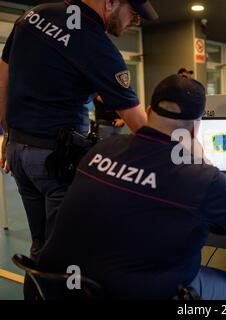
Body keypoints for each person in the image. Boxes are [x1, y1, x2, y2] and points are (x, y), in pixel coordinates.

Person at [38, 74, 226, 300]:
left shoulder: (102, 149)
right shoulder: (202, 178)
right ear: (195, 130)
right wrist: (201, 160)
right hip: (125, 293)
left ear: (148, 111)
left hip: (58, 288)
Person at [0, 0, 158, 260]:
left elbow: (3, 75)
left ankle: (38, 287)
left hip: (19, 153)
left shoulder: (35, 15)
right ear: (111, 3)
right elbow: (140, 124)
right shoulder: (97, 45)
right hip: (55, 161)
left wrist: (8, 133)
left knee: (40, 246)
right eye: (134, 14)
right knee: (66, 252)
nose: (135, 22)